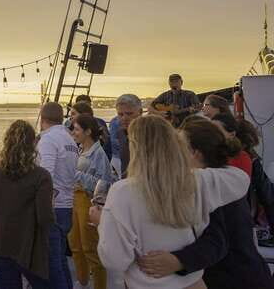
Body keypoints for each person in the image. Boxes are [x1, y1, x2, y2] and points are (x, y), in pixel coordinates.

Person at [91, 115, 249, 288]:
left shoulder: (123, 192)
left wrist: (104, 223)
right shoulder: (195, 181)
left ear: (134, 147)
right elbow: (241, 179)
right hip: (194, 284)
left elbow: (115, 261)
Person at [135, 118, 274, 289]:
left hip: (233, 279)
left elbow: (217, 242)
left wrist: (178, 261)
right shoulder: (224, 180)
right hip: (248, 274)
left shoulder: (211, 188)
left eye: (178, 148)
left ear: (195, 153)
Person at [0, 120, 55, 289]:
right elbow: (45, 218)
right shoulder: (41, 176)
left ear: (6, 141)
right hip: (28, 246)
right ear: (33, 144)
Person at [69, 115, 113, 289]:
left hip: (88, 201)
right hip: (75, 200)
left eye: (77, 129)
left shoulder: (99, 154)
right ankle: (82, 281)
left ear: (88, 132)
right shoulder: (79, 149)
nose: (73, 132)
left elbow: (103, 183)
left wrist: (74, 173)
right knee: (75, 245)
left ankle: (99, 286)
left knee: (90, 248)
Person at [37, 101, 78, 289]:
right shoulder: (69, 139)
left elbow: (46, 175)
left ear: (42, 119)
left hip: (54, 208)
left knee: (52, 265)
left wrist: (41, 207)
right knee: (61, 261)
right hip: (68, 205)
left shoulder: (47, 139)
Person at [111, 94, 143, 178]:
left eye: (129, 114)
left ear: (140, 112)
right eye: (120, 114)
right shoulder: (120, 133)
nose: (124, 118)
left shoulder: (150, 136)